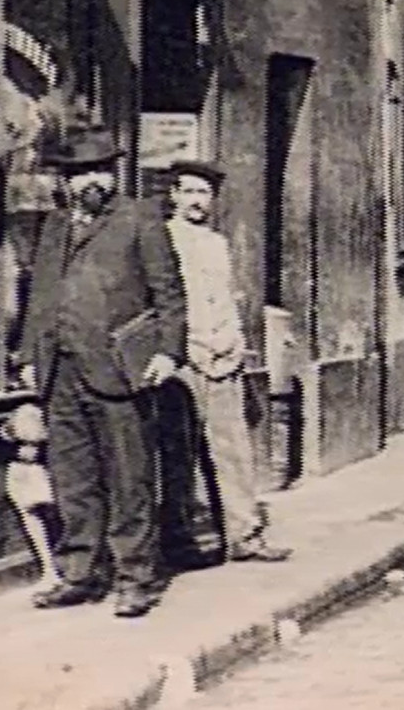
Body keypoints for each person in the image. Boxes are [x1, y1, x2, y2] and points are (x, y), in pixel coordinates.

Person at [19, 127, 185, 617]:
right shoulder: (54, 226)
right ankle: (80, 574)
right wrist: (29, 356)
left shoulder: (140, 219)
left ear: (113, 173)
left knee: (129, 478)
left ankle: (136, 577)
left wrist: (168, 353)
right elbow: (41, 296)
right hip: (60, 370)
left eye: (99, 171)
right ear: (65, 180)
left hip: (119, 370)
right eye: (79, 173)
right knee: (73, 477)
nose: (90, 181)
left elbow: (170, 294)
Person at [163, 159, 292, 564]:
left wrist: (234, 341)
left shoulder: (218, 244)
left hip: (223, 357)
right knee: (178, 454)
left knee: (232, 451)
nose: (196, 200)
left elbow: (225, 298)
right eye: (188, 191)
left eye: (204, 193)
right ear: (174, 195)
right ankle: (179, 541)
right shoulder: (162, 240)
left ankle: (244, 535)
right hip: (183, 360)